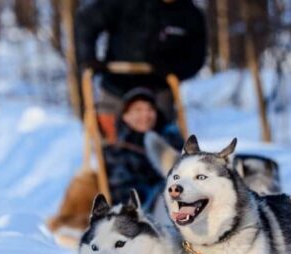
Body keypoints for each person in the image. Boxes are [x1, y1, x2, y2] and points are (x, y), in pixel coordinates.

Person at [75, 0, 206, 125]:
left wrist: (174, 68)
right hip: (116, 83)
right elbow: (86, 21)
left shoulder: (190, 15)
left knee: (164, 139)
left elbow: (196, 58)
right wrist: (88, 57)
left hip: (159, 88)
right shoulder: (124, 3)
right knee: (107, 137)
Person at [104, 88, 182, 211]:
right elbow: (123, 192)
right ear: (125, 116)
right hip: (144, 211)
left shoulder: (172, 141)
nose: (145, 115)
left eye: (150, 109)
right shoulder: (116, 152)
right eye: (138, 110)